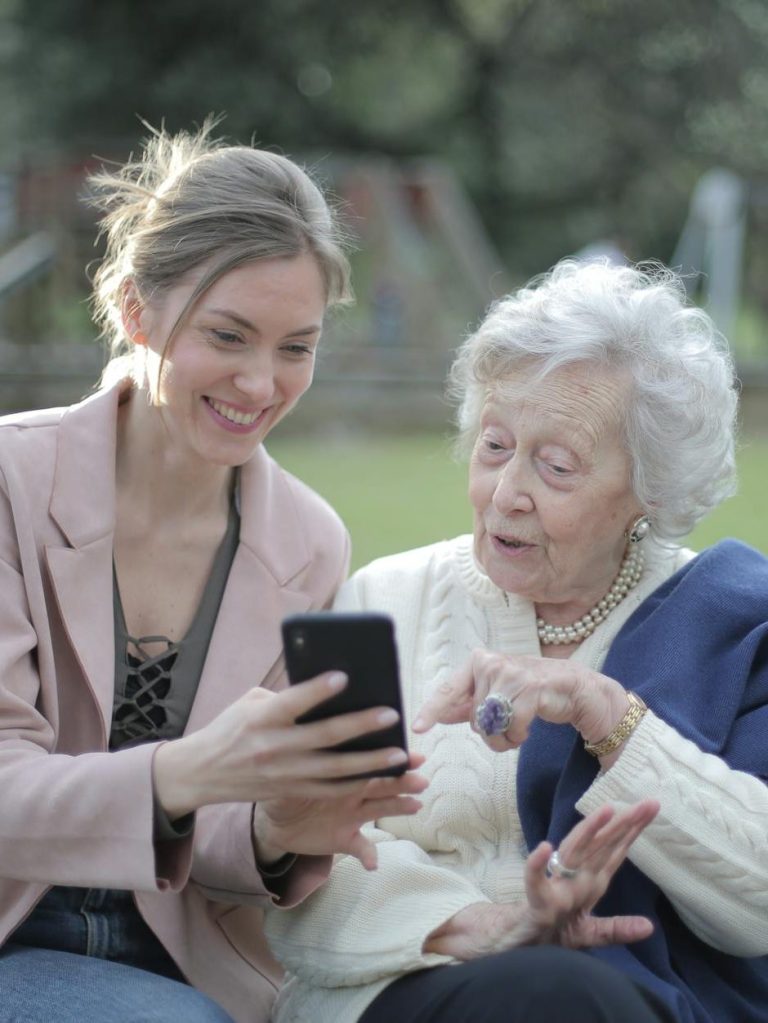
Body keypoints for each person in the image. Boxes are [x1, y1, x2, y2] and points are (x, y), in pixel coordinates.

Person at [264, 258, 768, 1023]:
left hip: (650, 1001)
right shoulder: (385, 597)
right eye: (494, 445)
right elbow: (308, 848)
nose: (505, 493)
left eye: (556, 466)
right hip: (404, 984)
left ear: (650, 489)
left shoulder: (729, 617)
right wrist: (482, 927)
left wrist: (607, 714)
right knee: (554, 993)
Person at [0, 122, 427, 1023]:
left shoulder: (310, 540)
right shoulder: (9, 483)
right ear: (134, 308)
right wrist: (183, 771)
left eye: (296, 347)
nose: (260, 383)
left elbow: (222, 833)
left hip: (194, 964)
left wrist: (278, 829)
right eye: (228, 334)